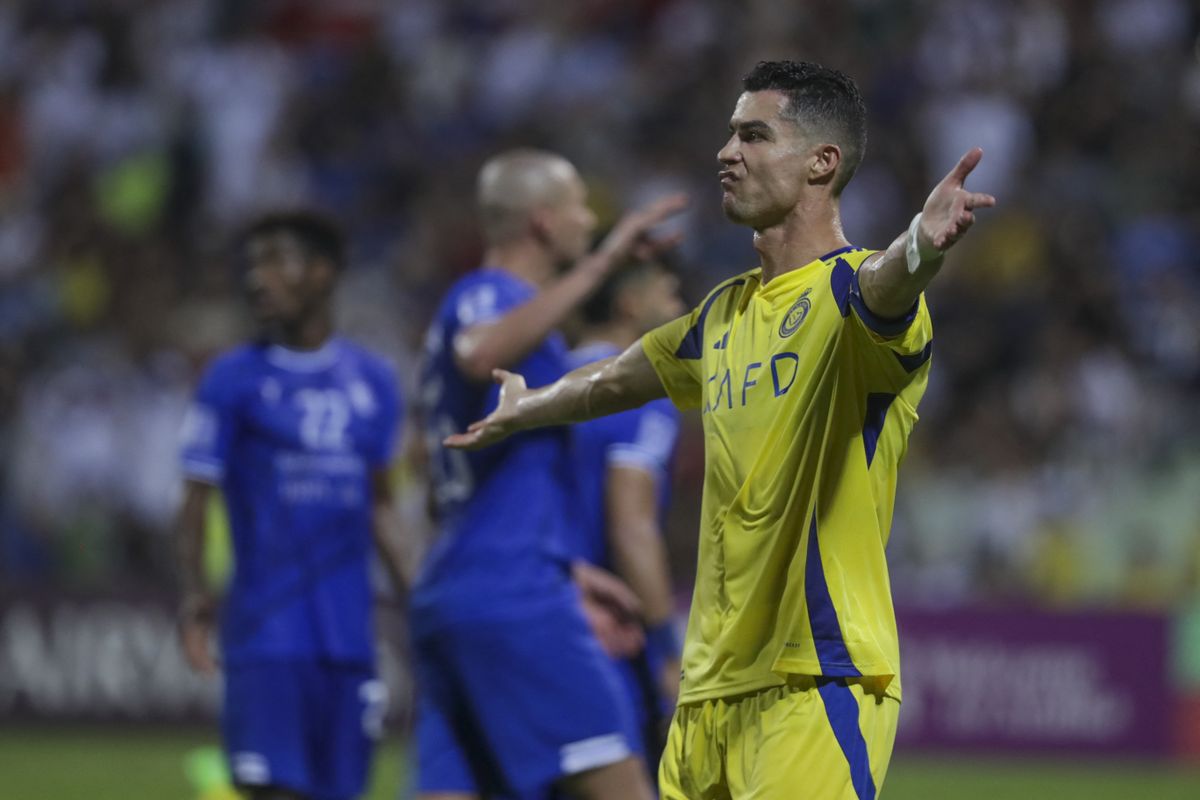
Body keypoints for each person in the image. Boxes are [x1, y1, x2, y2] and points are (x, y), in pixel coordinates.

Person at [445, 60, 997, 800]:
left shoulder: (848, 296)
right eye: (730, 134)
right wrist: (528, 405)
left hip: (815, 676)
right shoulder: (722, 315)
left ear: (820, 163)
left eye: (753, 135)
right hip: (708, 696)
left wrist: (922, 247)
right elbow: (613, 379)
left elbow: (887, 287)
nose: (725, 153)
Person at [411, 148, 683, 800]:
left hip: (457, 590)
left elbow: (456, 487)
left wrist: (569, 566)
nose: (590, 219)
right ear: (541, 221)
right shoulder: (490, 296)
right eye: (577, 207)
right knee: (623, 786)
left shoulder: (526, 332)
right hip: (514, 595)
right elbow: (479, 353)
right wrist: (604, 264)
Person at [176, 211, 408, 800]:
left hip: (349, 640)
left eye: (277, 262)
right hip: (265, 635)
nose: (258, 280)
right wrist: (194, 592)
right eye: (252, 265)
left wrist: (419, 600)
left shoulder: (374, 381)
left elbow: (381, 508)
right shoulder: (230, 380)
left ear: (324, 273)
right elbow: (195, 500)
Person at [566, 259, 687, 772]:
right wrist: (665, 650)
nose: (682, 310)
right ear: (630, 305)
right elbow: (631, 526)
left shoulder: (546, 377)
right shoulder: (639, 393)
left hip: (530, 602)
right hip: (605, 626)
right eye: (670, 295)